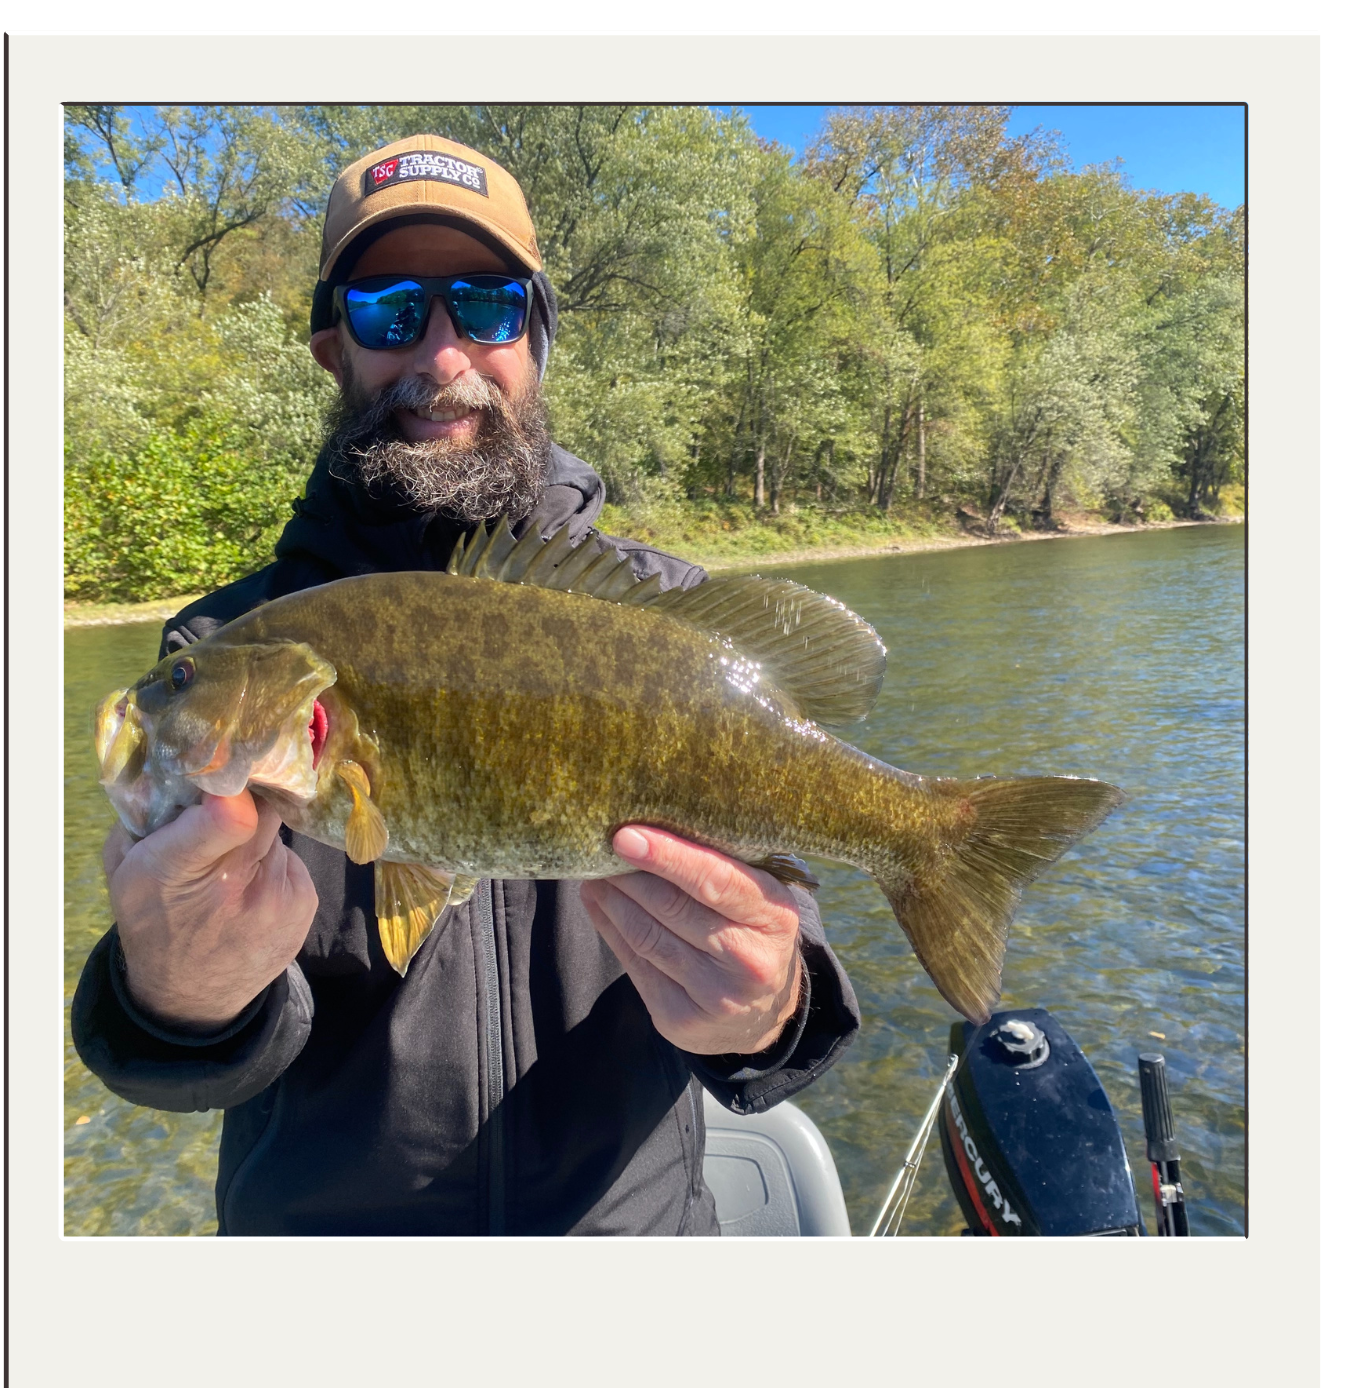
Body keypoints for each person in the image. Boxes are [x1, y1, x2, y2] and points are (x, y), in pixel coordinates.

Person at [72, 133, 861, 1235]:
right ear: (330, 348)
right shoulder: (225, 639)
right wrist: (175, 993)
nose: (441, 356)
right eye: (392, 309)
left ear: (536, 336)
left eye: (485, 306)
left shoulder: (665, 617)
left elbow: (789, 965)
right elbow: (175, 1064)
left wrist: (769, 1004)